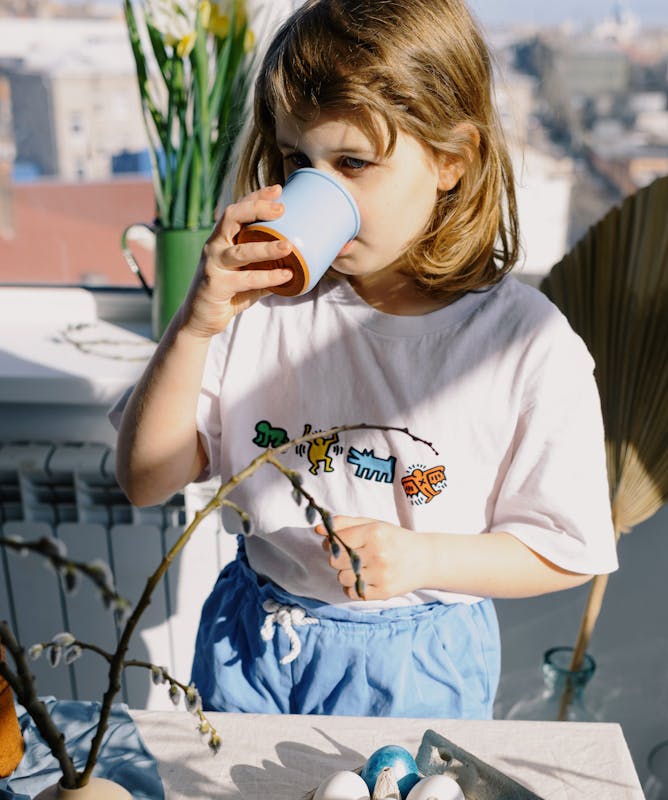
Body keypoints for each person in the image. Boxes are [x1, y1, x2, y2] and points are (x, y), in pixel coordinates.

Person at [115, 0, 618, 721]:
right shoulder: (256, 308)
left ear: (452, 160)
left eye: (353, 163)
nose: (316, 190)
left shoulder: (524, 346)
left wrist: (425, 559)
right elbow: (143, 479)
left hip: (415, 663)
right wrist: (196, 324)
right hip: (252, 635)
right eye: (297, 161)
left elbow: (570, 548)